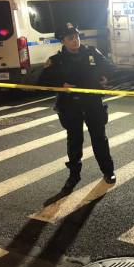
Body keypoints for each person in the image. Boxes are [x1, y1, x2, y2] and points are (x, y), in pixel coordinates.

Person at [39, 22, 117, 193]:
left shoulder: (92, 53)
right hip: (70, 105)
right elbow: (42, 80)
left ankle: (108, 171)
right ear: (63, 41)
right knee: (74, 141)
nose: (75, 41)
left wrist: (105, 78)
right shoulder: (56, 61)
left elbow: (111, 68)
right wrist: (60, 84)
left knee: (99, 139)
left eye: (77, 37)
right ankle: (74, 175)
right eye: (70, 38)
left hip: (92, 103)